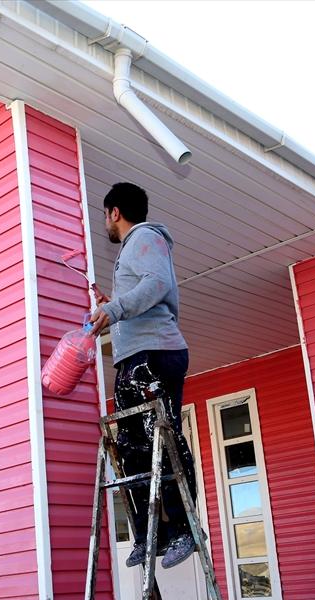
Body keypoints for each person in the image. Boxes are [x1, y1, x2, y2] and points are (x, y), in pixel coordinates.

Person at [89, 182, 197, 569]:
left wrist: (116, 309)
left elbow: (157, 284)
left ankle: (186, 530)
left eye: (105, 214)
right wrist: (114, 304)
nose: (105, 222)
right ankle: (150, 535)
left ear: (114, 212)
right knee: (135, 449)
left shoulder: (144, 237)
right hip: (134, 357)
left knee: (161, 438)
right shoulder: (133, 248)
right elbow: (143, 292)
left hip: (155, 353)